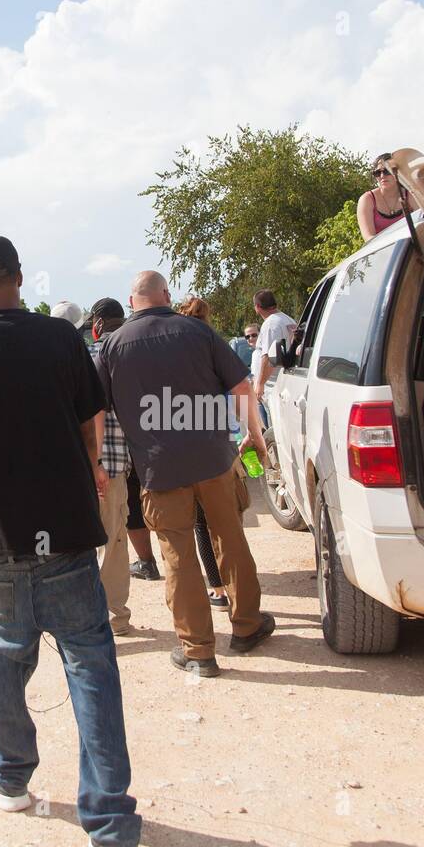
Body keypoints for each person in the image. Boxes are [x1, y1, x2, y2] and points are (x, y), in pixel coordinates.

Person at [0, 235, 141, 847]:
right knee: (91, 664)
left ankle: (12, 776)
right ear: (21, 277)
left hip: (1, 534)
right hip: (68, 529)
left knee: (5, 656)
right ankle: (110, 819)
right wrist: (87, 471)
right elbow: (89, 425)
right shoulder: (62, 338)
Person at [99, 270, 275, 678]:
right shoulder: (197, 332)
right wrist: (254, 435)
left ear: (131, 300)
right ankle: (247, 626)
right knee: (229, 538)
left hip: (159, 467)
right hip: (214, 457)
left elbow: (98, 410)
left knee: (177, 553)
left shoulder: (112, 346)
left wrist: (98, 462)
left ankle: (197, 651)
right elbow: (241, 387)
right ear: (165, 294)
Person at [177, 295, 234, 611]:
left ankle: (218, 589)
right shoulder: (214, 343)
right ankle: (237, 589)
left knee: (200, 523)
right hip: (217, 441)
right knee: (227, 520)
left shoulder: (172, 350)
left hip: (183, 443)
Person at [89, 297, 138, 636]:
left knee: (86, 546)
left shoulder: (91, 358)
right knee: (115, 544)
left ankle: (88, 618)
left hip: (91, 466)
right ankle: (117, 617)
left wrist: (94, 461)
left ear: (97, 325)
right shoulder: (136, 356)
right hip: (119, 466)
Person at [251, 290, 297, 423]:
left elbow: (269, 356)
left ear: (257, 307)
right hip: (282, 382)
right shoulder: (287, 319)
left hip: (273, 386)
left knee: (275, 426)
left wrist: (260, 384)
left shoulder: (271, 324)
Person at [356, 152, 407, 242]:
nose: (382, 176)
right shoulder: (367, 199)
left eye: (387, 171)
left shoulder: (410, 195)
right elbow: (369, 239)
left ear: (397, 171)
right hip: (381, 252)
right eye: (377, 173)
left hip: (408, 250)